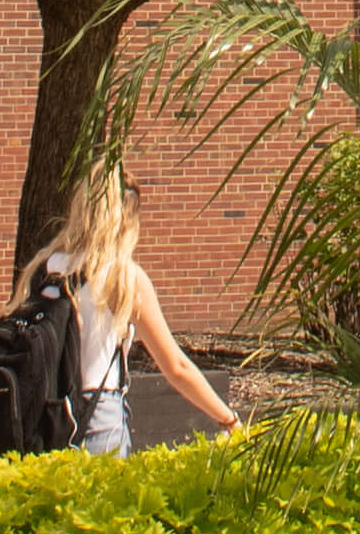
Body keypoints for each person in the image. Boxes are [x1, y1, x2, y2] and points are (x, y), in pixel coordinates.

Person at [30, 165, 243, 455]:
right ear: (127, 219)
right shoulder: (123, 277)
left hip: (43, 413)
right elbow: (176, 367)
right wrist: (228, 418)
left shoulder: (45, 267)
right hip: (97, 416)